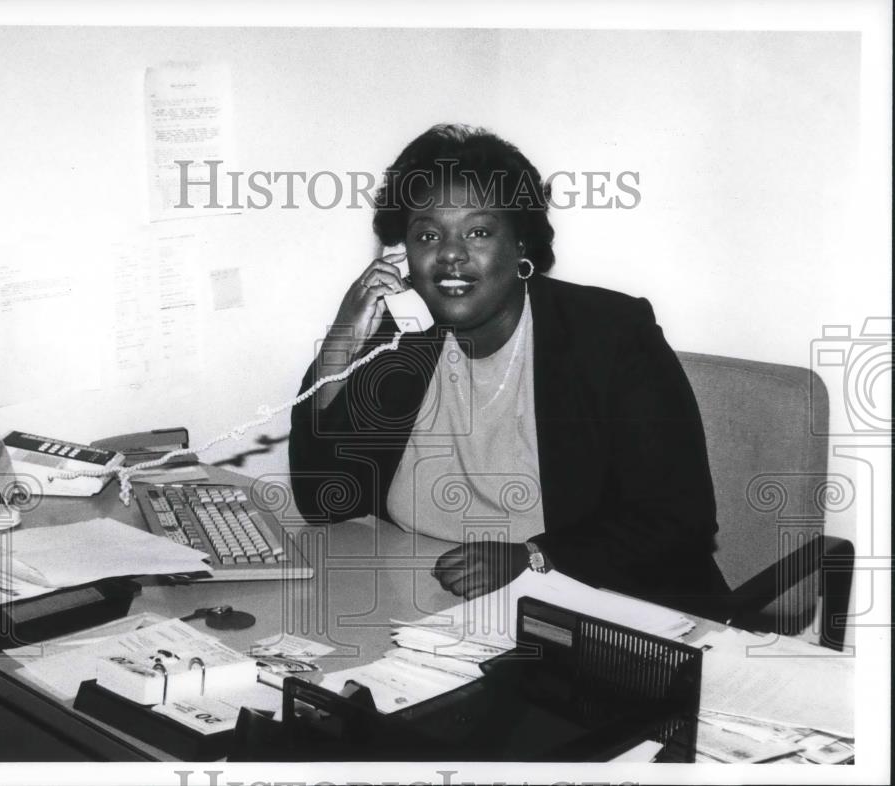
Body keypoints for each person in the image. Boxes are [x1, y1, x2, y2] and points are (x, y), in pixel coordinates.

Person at [289, 124, 731, 620]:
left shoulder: (609, 335)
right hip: (423, 605)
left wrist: (535, 558)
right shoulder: (400, 340)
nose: (451, 253)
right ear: (406, 256)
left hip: (594, 611)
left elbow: (680, 518)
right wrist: (343, 338)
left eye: (478, 231)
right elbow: (323, 499)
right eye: (428, 234)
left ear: (521, 243)